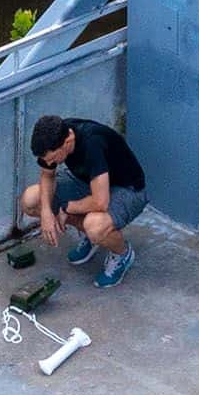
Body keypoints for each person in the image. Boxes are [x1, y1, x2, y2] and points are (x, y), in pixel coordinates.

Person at [23, 112, 147, 287]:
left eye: (53, 158)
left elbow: (100, 202)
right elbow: (47, 175)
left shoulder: (92, 143)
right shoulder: (55, 135)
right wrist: (46, 212)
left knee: (94, 226)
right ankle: (91, 237)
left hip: (127, 189)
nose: (50, 163)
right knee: (31, 200)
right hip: (87, 182)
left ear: (67, 142)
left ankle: (122, 253)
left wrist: (66, 207)